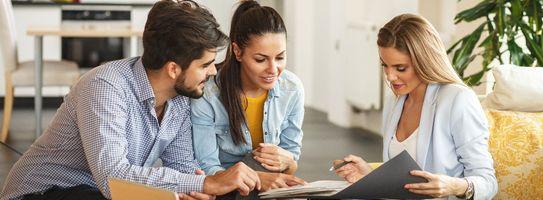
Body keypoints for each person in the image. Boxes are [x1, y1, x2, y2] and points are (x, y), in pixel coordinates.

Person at [0, 1, 262, 200]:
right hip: (40, 193)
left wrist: (203, 187)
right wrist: (205, 184)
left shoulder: (181, 98)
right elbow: (112, 178)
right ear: (173, 69)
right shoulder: (105, 86)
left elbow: (183, 169)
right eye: (205, 65)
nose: (213, 71)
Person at [333, 14, 498, 200]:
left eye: (400, 68)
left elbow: (488, 183)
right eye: (385, 65)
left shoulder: (458, 100)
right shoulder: (394, 102)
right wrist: (369, 173)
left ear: (424, 60)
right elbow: (403, 178)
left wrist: (453, 186)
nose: (390, 76)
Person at [191, 0, 305, 192]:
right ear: (237, 51)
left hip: (270, 188)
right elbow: (208, 169)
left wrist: (289, 164)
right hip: (225, 190)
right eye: (260, 59)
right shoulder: (208, 95)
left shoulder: (292, 89)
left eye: (280, 57)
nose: (273, 69)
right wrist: (259, 178)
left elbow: (291, 160)